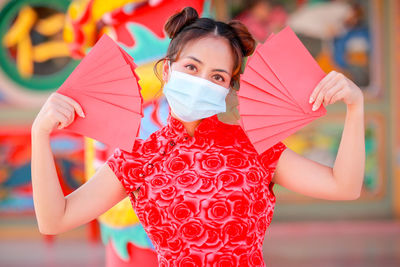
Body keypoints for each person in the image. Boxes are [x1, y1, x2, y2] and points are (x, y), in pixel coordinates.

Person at [31, 6, 365, 267]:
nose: (203, 81)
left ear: (227, 89)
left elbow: (343, 186)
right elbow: (54, 219)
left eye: (217, 76)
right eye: (192, 67)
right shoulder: (138, 157)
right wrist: (39, 134)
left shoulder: (256, 149)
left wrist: (355, 107)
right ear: (167, 70)